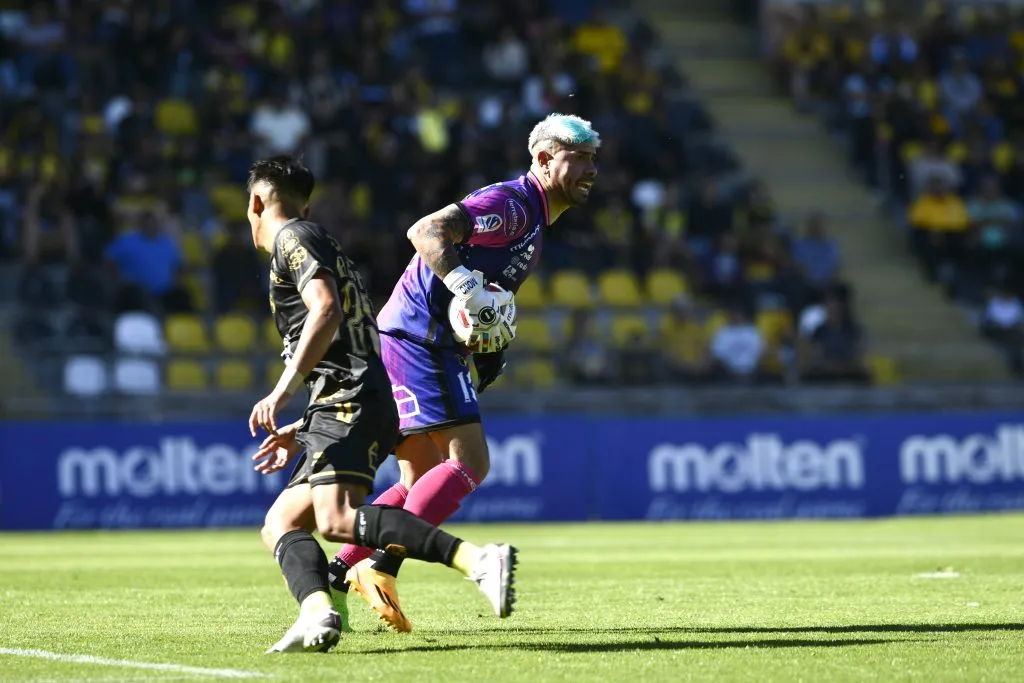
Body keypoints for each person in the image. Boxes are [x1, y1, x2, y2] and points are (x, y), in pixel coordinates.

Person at [329, 113, 599, 632]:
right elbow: (425, 231)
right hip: (420, 338)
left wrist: (490, 344)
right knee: (470, 461)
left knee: (418, 477)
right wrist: (465, 286)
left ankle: (339, 571)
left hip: (413, 337)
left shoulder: (533, 219)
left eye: (593, 159)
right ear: (544, 159)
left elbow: (486, 296)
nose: (591, 170)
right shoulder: (512, 206)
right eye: (579, 158)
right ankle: (381, 565)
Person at [245, 156, 517, 654]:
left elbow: (326, 310)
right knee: (282, 522)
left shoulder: (293, 238)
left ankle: (477, 561)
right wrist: (305, 426)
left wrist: (283, 390)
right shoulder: (320, 242)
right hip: (345, 398)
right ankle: (318, 610)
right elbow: (352, 342)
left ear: (256, 203)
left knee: (336, 519)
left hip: (346, 400)